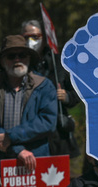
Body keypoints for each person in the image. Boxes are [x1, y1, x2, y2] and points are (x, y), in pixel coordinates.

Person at [0, 34, 57, 174]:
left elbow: (48, 121)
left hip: (35, 161)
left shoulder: (44, 86)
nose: (17, 59)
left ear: (29, 59)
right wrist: (16, 149)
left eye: (22, 55)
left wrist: (11, 136)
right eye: (11, 56)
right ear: (3, 61)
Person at [22, 19, 81, 158]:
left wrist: (67, 97)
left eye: (35, 37)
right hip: (29, 134)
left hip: (57, 136)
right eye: (27, 37)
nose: (31, 41)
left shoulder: (58, 63)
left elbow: (77, 93)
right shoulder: (19, 62)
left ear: (43, 38)